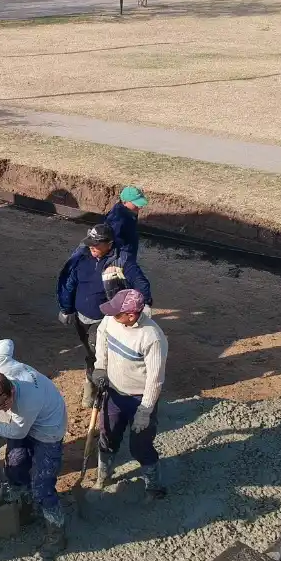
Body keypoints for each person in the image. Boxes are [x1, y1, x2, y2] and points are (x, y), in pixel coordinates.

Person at [0, 339, 70, 558]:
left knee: (42, 484)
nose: (1, 410)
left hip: (49, 429)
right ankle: (26, 507)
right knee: (15, 466)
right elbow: (6, 343)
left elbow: (18, 432)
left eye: (3, 406)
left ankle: (56, 532)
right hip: (26, 421)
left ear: (11, 393)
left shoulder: (27, 401)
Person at [57, 222, 152, 407]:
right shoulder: (82, 257)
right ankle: (91, 382)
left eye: (97, 243)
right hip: (81, 317)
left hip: (106, 320)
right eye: (90, 242)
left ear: (109, 244)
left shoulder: (122, 261)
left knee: (100, 353)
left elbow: (141, 284)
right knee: (91, 352)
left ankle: (102, 392)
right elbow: (69, 282)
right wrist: (66, 308)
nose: (92, 246)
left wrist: (145, 304)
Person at [91, 288, 168, 497]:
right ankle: (102, 476)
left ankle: (153, 487)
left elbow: (155, 379)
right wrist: (100, 367)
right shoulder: (110, 321)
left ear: (131, 315)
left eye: (117, 314)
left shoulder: (152, 338)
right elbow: (101, 335)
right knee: (107, 437)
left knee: (140, 447)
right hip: (114, 394)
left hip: (139, 400)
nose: (111, 317)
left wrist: (144, 412)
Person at [105, 186, 149, 257]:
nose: (139, 207)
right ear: (125, 202)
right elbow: (112, 243)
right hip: (122, 256)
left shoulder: (130, 212)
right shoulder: (117, 219)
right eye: (136, 203)